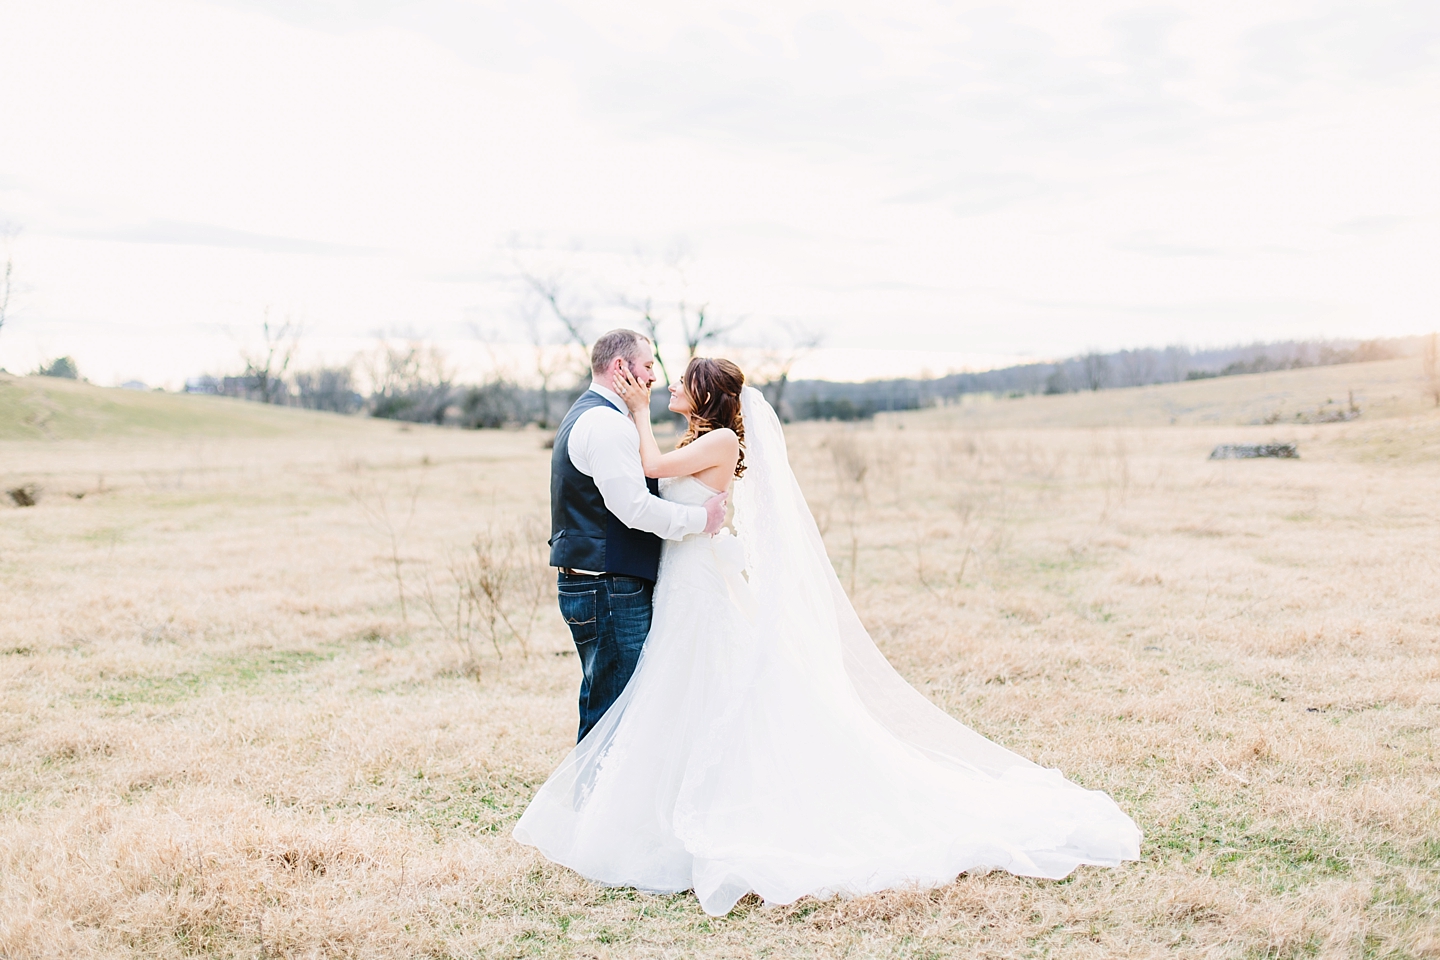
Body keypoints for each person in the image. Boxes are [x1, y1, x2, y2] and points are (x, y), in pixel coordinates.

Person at [518, 355, 1142, 916]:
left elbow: (651, 467)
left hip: (695, 581)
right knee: (677, 689)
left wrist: (634, 409)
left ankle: (684, 810)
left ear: (703, 397)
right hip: (684, 576)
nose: (667, 384)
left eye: (679, 381)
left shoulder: (717, 443)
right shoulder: (704, 440)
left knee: (695, 681)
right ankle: (654, 808)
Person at [548, 330, 727, 742]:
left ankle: (598, 805)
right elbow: (633, 508)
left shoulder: (590, 414)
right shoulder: (606, 425)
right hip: (607, 586)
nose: (653, 377)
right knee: (617, 712)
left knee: (608, 703)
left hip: (596, 581)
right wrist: (700, 520)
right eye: (648, 366)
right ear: (620, 368)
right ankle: (595, 806)